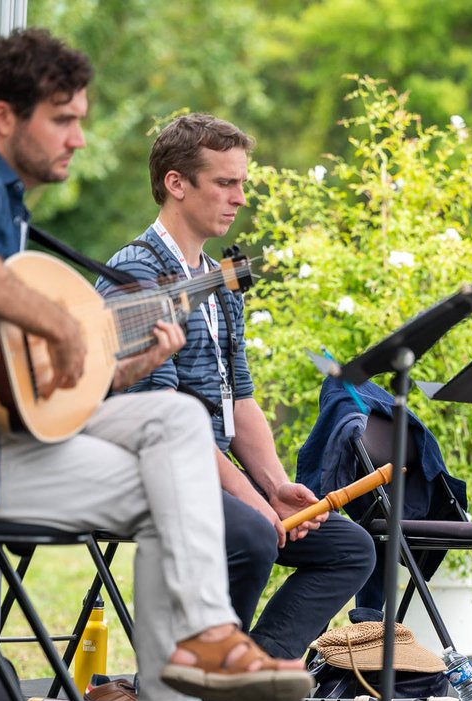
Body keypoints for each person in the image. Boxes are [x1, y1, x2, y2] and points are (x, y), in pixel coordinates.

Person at [0, 29, 311, 701]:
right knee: (172, 492)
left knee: (174, 425)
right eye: (62, 120)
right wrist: (53, 320)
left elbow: (21, 382)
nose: (79, 137)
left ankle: (200, 655)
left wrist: (130, 365)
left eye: (80, 118)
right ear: (5, 117)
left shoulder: (6, 207)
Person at [98, 113, 376, 659]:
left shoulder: (218, 279)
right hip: (143, 469)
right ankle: (205, 672)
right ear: (176, 184)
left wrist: (275, 487)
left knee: (350, 547)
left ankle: (252, 668)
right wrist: (253, 503)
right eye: (226, 183)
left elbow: (239, 398)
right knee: (250, 534)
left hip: (204, 470)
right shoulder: (137, 274)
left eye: (242, 183)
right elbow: (166, 419)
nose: (240, 197)